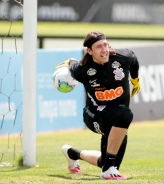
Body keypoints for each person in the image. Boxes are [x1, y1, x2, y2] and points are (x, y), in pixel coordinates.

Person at [55, 31, 140, 180]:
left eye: (105, 45)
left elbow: (134, 59)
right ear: (89, 51)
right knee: (126, 115)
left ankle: (72, 153)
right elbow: (72, 64)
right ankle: (108, 170)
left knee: (105, 162)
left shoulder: (122, 58)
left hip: (115, 117)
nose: (104, 50)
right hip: (94, 115)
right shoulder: (82, 70)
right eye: (99, 47)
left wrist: (135, 80)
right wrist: (69, 63)